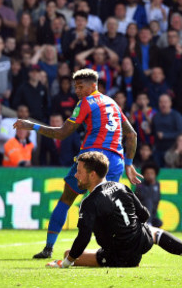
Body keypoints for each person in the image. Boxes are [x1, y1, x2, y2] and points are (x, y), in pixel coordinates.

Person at [14, 69, 142, 259]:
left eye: (81, 87)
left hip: (92, 157)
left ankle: (49, 248)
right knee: (106, 207)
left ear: (93, 86)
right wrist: (129, 164)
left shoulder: (86, 103)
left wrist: (32, 125)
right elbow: (132, 135)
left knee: (67, 199)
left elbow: (61, 133)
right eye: (75, 87)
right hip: (115, 162)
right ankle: (117, 248)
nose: (77, 91)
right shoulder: (112, 103)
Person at [46, 151, 182, 269]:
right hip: (140, 243)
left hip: (117, 257)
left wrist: (67, 263)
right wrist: (129, 230)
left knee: (67, 254)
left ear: (92, 175)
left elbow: (83, 238)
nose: (76, 175)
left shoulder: (89, 203)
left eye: (79, 171)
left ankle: (69, 261)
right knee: (155, 233)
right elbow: (144, 215)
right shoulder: (122, 187)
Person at [135, 161, 162, 227]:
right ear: (143, 175)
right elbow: (142, 198)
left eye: (151, 173)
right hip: (141, 215)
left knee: (159, 222)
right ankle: (148, 225)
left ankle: (149, 224)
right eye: (147, 173)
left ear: (155, 174)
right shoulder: (140, 185)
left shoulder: (157, 185)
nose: (149, 175)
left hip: (152, 215)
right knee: (148, 201)